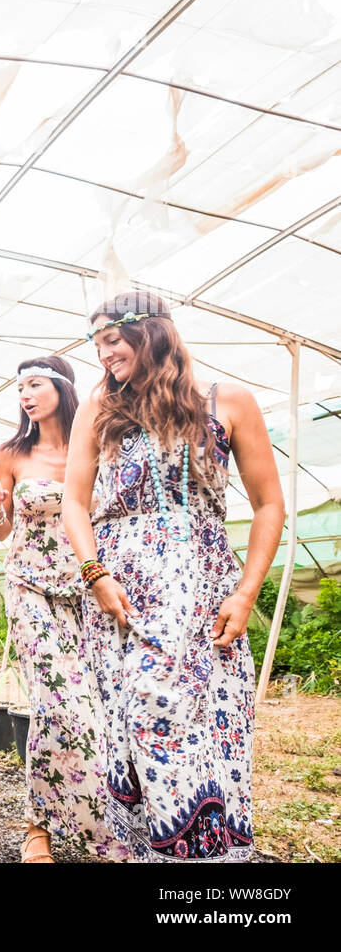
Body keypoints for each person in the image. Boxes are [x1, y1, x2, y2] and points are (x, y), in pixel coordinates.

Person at [62, 291, 284, 862]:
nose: (104, 354)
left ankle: (210, 860)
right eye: (97, 344)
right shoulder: (97, 408)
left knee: (208, 716)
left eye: (112, 339)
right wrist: (95, 575)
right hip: (121, 592)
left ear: (153, 332)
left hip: (203, 588)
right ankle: (152, 854)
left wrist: (245, 592)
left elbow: (267, 504)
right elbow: (74, 503)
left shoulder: (226, 400)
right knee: (138, 716)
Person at [0, 357, 130, 863]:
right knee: (56, 702)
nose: (24, 394)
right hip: (30, 587)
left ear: (63, 388)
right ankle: (36, 828)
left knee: (99, 707)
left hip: (89, 589)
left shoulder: (102, 444)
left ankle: (104, 816)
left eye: (34, 384)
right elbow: (0, 531)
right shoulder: (11, 453)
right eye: (19, 386)